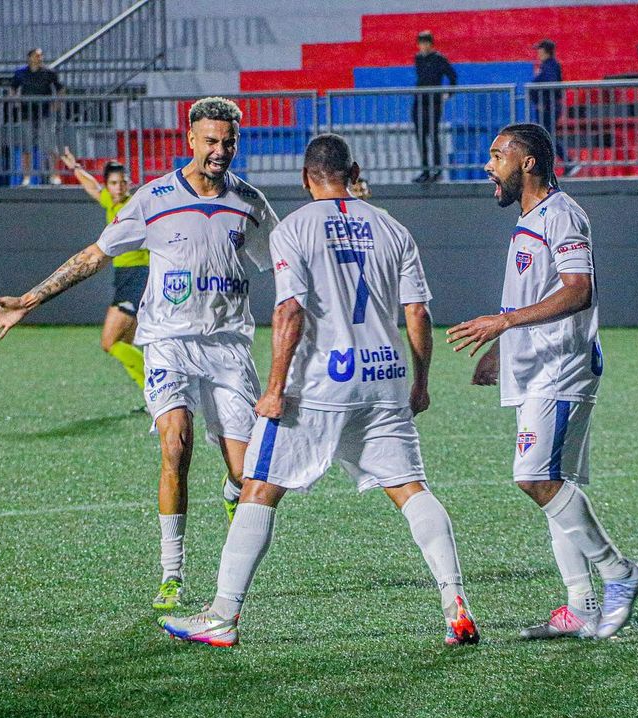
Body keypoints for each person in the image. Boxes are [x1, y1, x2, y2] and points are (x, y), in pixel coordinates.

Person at [158, 133, 480, 648]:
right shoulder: (393, 227)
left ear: (307, 178)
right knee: (410, 488)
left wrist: (273, 388)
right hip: (383, 380)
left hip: (318, 384)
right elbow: (417, 313)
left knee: (259, 488)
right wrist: (420, 383)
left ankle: (221, 616)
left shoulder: (295, 228)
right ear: (354, 172)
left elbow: (289, 311)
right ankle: (454, 603)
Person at [0, 97, 279, 612]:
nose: (220, 151)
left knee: (245, 474)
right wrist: (30, 298)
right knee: (175, 446)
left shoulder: (249, 201)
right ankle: (172, 574)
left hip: (229, 347)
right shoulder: (154, 197)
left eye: (228, 141)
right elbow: (94, 256)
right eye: (211, 140)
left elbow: (284, 264)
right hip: (167, 343)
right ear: (190, 139)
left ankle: (231, 496)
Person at [446, 123, 638, 640]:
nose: (488, 166)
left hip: (561, 368)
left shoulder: (561, 215)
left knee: (535, 478)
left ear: (528, 161)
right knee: (557, 486)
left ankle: (618, 572)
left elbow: (580, 290)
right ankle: (580, 607)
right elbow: (529, 294)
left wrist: (504, 325)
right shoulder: (531, 218)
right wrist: (500, 347)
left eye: (497, 156)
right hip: (536, 366)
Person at [59, 148, 147, 393]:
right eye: (113, 183)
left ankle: (155, 384)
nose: (118, 188)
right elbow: (93, 189)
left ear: (129, 183)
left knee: (109, 342)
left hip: (137, 276)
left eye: (123, 183)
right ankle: (151, 397)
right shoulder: (111, 202)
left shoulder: (135, 205)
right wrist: (76, 168)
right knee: (125, 342)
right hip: (125, 277)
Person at [10, 48, 65, 186]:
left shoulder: (49, 72)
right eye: (36, 56)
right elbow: (12, 88)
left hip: (45, 112)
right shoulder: (20, 73)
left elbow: (60, 89)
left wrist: (56, 104)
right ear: (29, 58)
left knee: (50, 144)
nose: (39, 58)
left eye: (41, 56)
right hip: (26, 113)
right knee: (26, 146)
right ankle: (27, 177)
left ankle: (54, 175)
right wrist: (16, 102)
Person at [411, 31, 457, 184]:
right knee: (421, 137)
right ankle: (425, 170)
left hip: (433, 102)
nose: (423, 46)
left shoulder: (439, 59)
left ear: (431, 44)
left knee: (433, 135)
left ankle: (437, 170)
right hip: (419, 101)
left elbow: (452, 76)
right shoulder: (418, 59)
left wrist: (448, 94)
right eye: (421, 43)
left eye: (426, 43)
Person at [531, 39, 572, 176]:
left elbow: (548, 84)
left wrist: (543, 102)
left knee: (547, 135)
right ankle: (566, 162)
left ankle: (567, 161)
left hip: (548, 107)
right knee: (546, 135)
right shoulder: (548, 66)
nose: (538, 53)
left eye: (540, 50)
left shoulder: (549, 66)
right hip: (548, 106)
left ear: (545, 51)